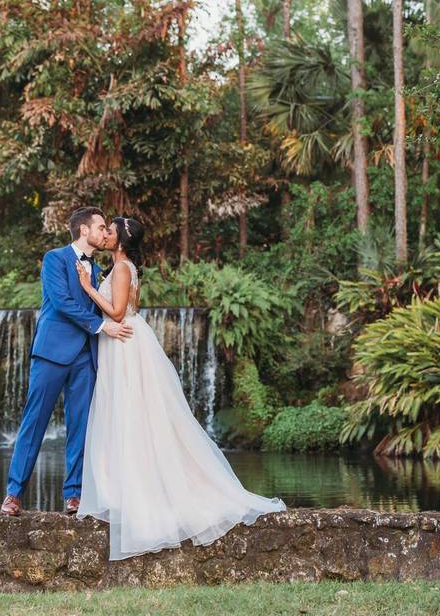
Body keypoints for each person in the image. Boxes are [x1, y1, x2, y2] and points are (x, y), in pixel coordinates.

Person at [75, 216, 286, 559]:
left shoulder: (124, 267)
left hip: (125, 344)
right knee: (134, 415)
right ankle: (128, 488)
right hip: (128, 340)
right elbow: (133, 308)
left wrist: (87, 288)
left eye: (110, 231)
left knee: (131, 414)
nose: (106, 235)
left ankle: (137, 492)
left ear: (122, 240)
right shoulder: (125, 267)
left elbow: (116, 314)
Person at [1, 207, 134, 517]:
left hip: (85, 357)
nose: (105, 232)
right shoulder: (54, 259)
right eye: (101, 227)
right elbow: (61, 303)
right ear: (84, 230)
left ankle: (74, 495)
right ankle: (13, 493)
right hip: (51, 353)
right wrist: (102, 327)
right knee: (34, 422)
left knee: (81, 427)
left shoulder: (100, 271)